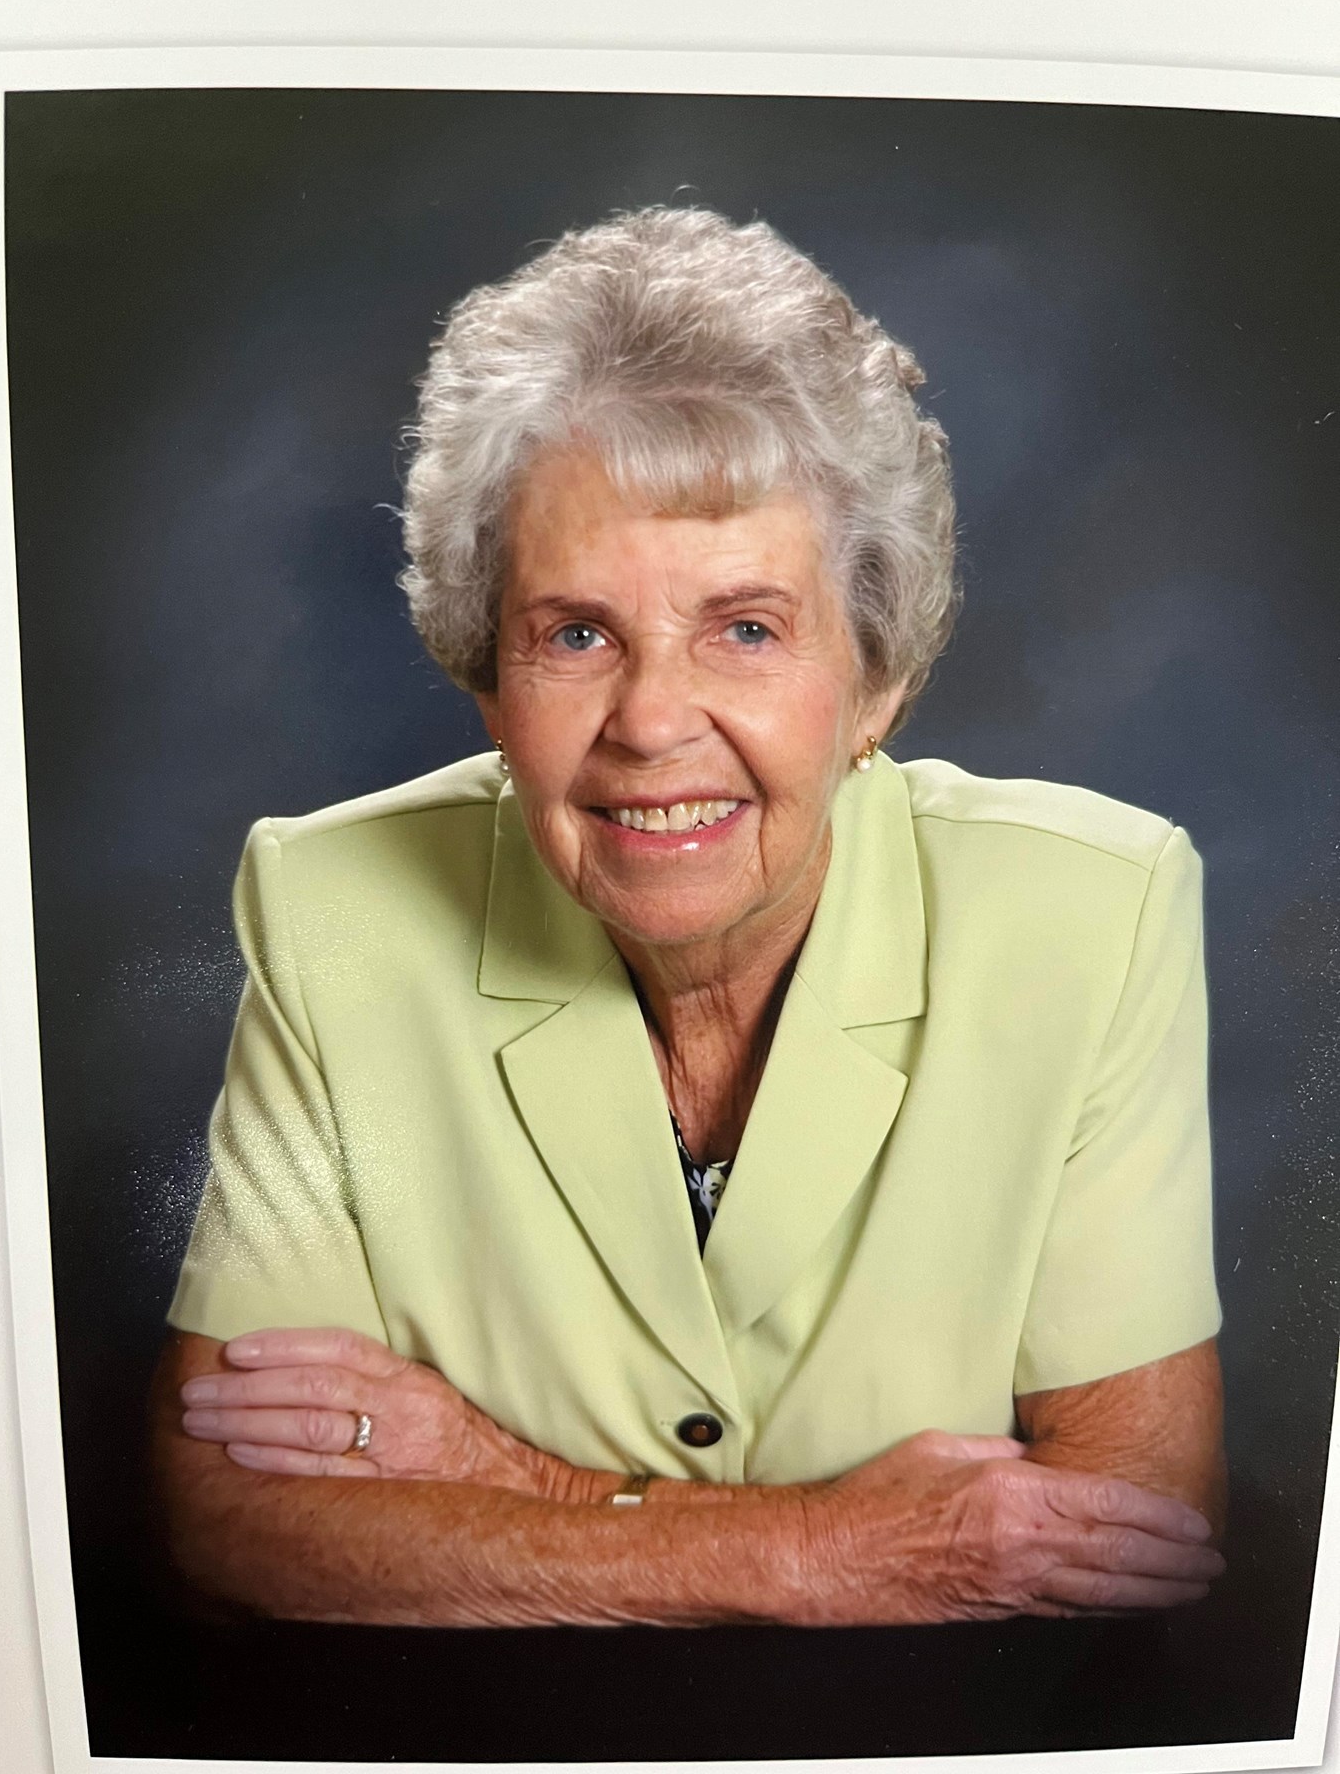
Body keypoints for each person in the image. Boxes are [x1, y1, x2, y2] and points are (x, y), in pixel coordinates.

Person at [152, 206, 1226, 1628]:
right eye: (575, 634)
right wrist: (820, 1553)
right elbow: (232, 1509)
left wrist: (501, 1480)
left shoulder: (1086, 914)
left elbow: (1129, 1531)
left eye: (746, 629)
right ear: (487, 679)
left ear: (876, 682)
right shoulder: (334, 911)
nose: (653, 722)